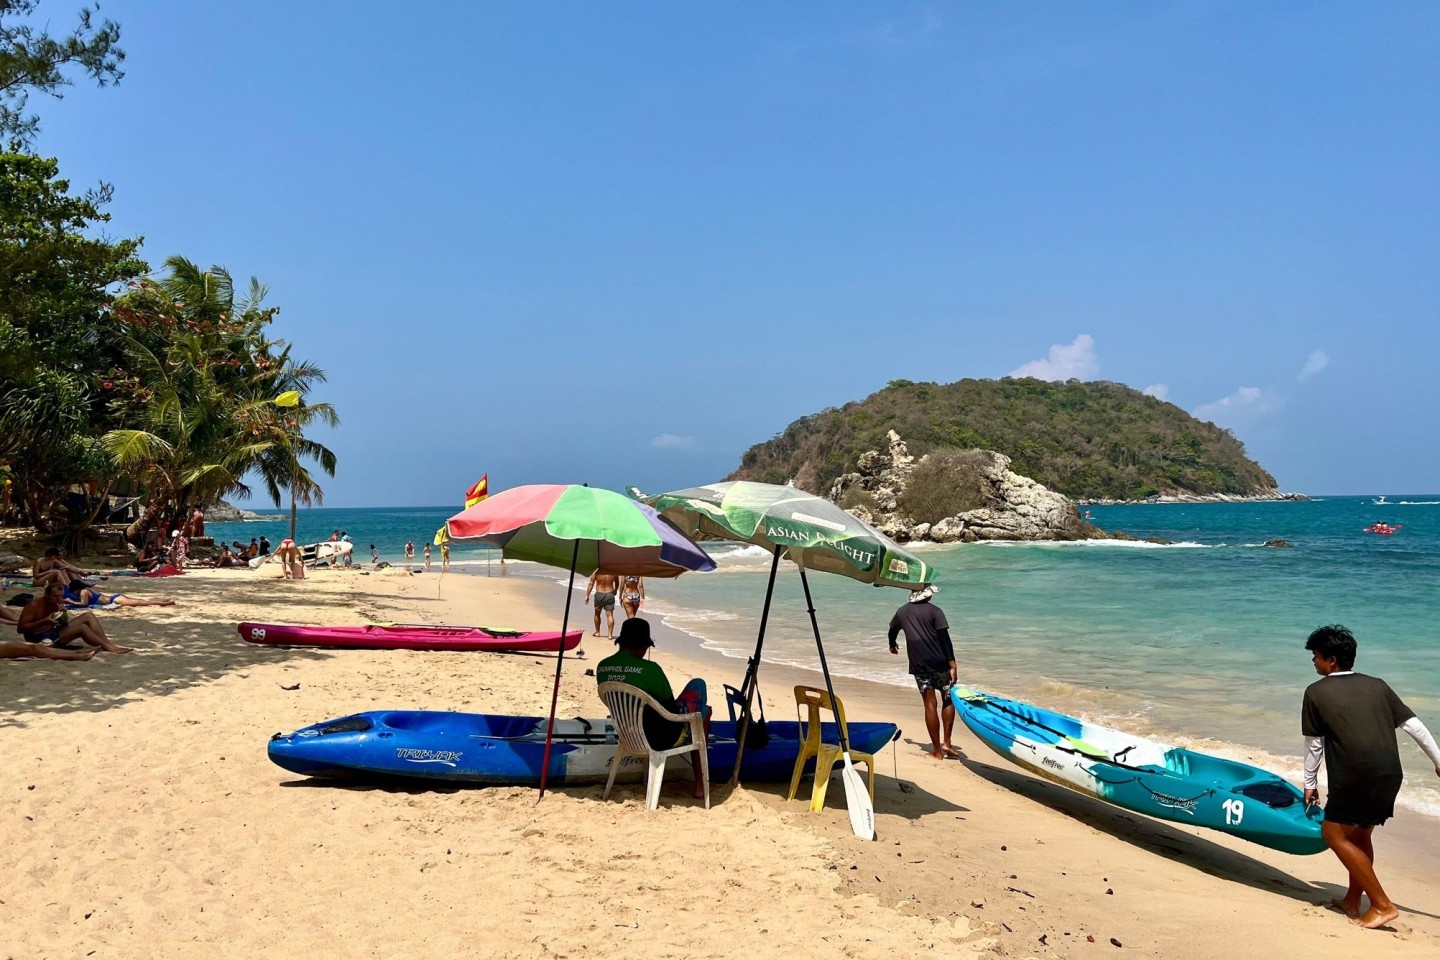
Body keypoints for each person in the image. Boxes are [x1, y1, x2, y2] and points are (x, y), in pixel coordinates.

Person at [1300, 625, 1440, 930]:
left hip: (1355, 775)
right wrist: (1438, 761)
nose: (1313, 661)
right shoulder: (1378, 685)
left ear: (1332, 660)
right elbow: (1415, 726)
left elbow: (1313, 744)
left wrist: (1309, 783)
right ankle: (1352, 900)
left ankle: (1381, 904)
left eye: (1316, 656)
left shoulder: (1315, 692)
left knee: (1333, 834)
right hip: (1389, 773)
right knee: (1361, 835)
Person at [595, 618, 710, 799]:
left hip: (627, 732)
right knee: (699, 690)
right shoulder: (650, 669)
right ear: (643, 645)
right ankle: (700, 785)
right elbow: (670, 708)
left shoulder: (603, 667)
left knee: (698, 703)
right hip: (659, 738)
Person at [887, 583, 958, 760]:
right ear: (928, 595)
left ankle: (937, 751)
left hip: (920, 665)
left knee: (930, 704)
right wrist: (952, 664)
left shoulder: (902, 612)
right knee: (948, 699)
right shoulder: (936, 612)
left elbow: (892, 630)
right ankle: (947, 743)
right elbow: (945, 640)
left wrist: (892, 644)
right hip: (940, 663)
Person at [16, 583, 133, 653]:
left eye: (61, 596)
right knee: (82, 628)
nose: (59, 599)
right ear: (46, 595)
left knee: (88, 615)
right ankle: (108, 647)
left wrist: (61, 617)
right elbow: (20, 628)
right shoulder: (34, 605)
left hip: (53, 631)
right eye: (55, 596)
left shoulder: (56, 604)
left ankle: (107, 643)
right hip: (39, 638)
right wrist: (45, 621)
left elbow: (59, 623)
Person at [65, 579, 176, 609]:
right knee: (141, 600)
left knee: (143, 602)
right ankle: (164, 600)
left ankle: (167, 603)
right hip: (115, 597)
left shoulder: (84, 592)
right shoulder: (87, 589)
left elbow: (84, 604)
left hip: (115, 600)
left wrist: (71, 602)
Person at [585, 571, 619, 641]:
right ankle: (610, 635)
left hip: (599, 595)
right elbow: (617, 582)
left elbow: (591, 583)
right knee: (610, 615)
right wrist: (615, 590)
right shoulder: (613, 571)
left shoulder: (596, 572)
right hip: (610, 594)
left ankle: (597, 632)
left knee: (597, 614)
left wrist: (587, 595)